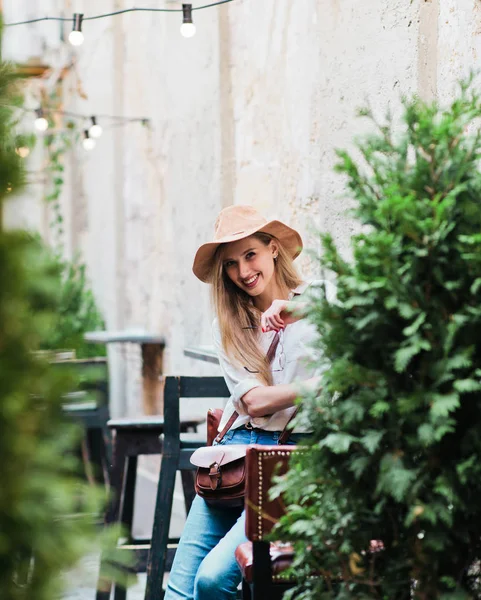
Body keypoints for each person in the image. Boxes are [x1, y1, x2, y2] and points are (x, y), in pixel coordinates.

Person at [164, 204, 335, 600]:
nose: (243, 272)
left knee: (211, 580)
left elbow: (363, 314)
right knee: (178, 588)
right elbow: (255, 402)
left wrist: (298, 309)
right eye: (230, 264)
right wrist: (320, 385)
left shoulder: (318, 301)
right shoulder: (226, 326)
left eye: (250, 255)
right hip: (236, 455)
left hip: (292, 459)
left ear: (273, 249)